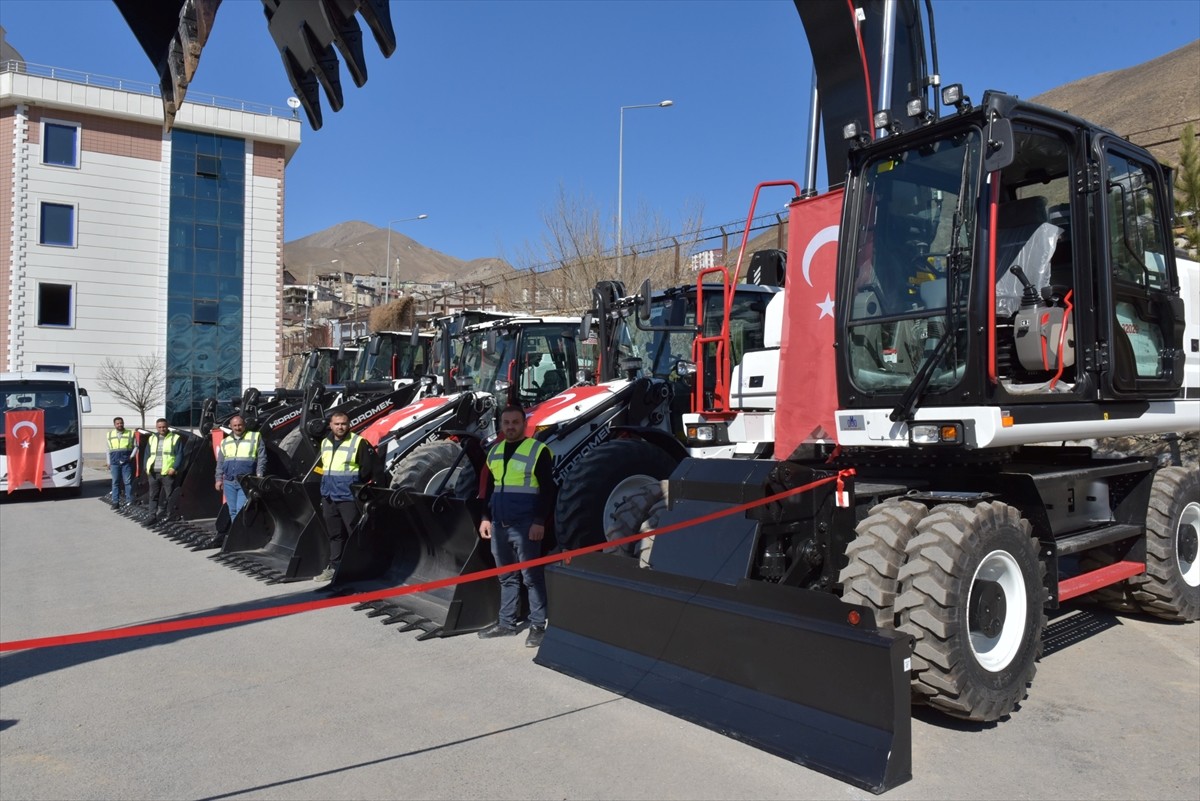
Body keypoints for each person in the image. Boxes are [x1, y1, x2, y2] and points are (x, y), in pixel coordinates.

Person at [477, 404, 555, 648]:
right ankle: (506, 623)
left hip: (526, 524)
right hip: (499, 524)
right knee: (506, 576)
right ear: (501, 425)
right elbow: (488, 490)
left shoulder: (538, 450)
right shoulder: (494, 451)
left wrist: (539, 522)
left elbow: (548, 490)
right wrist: (485, 518)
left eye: (515, 422)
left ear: (524, 425)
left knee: (531, 577)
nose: (510, 427)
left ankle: (537, 626)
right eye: (506, 422)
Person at [312, 411, 376, 583]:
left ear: (349, 424)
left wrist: (353, 484)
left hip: (348, 497)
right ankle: (334, 568)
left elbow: (368, 469)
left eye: (343, 423)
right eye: (337, 424)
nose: (340, 427)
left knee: (354, 533)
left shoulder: (358, 442)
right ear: (331, 425)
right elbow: (322, 468)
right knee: (334, 535)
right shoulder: (325, 442)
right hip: (329, 496)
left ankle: (359, 569)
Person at [214, 415, 266, 521]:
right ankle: (236, 535)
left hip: (245, 481)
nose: (238, 428)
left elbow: (262, 457)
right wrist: (218, 479)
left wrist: (259, 474)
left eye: (240, 425)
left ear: (244, 425)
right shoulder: (225, 441)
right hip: (229, 481)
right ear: (231, 426)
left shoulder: (255, 437)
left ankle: (242, 535)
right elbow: (220, 463)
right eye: (235, 426)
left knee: (240, 510)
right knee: (232, 511)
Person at [144, 418, 183, 520]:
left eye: (164, 427)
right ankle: (152, 515)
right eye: (160, 427)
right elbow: (147, 454)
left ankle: (169, 515)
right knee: (153, 495)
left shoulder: (175, 438)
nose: (162, 429)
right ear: (156, 427)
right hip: (153, 472)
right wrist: (146, 468)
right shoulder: (152, 438)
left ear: (167, 426)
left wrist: (174, 468)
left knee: (169, 495)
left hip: (167, 472)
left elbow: (179, 455)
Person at [106, 416, 136, 509]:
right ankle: (115, 502)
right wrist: (108, 462)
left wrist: (131, 456)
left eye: (121, 423)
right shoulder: (109, 434)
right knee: (115, 482)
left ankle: (129, 501)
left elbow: (136, 446)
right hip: (114, 461)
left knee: (128, 482)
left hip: (126, 461)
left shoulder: (131, 433)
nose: (120, 425)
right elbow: (108, 449)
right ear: (114, 424)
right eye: (118, 423)